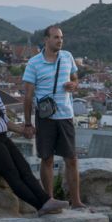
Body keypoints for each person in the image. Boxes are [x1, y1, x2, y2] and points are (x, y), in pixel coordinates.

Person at [0, 67, 69, 216]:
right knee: (12, 174)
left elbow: (4, 121)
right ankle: (40, 206)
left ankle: (47, 200)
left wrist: (25, 131)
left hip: (1, 137)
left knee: (24, 168)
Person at [22, 26, 84, 209]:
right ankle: (49, 201)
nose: (60, 41)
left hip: (65, 114)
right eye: (56, 37)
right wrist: (27, 123)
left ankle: (77, 201)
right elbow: (27, 96)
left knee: (71, 159)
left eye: (61, 37)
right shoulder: (34, 63)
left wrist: (73, 85)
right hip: (45, 116)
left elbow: (75, 79)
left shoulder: (67, 57)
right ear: (46, 40)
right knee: (47, 158)